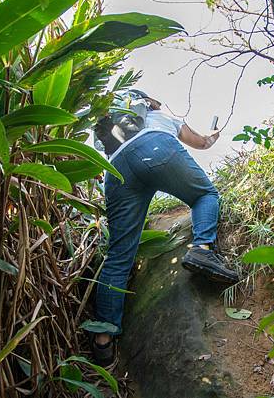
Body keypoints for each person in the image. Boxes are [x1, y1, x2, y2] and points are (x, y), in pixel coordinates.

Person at [91, 90, 240, 366]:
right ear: (148, 102)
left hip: (116, 170)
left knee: (119, 256)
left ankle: (103, 342)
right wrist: (213, 134)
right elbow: (202, 143)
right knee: (204, 195)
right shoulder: (160, 115)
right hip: (157, 148)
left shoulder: (110, 131)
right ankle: (202, 249)